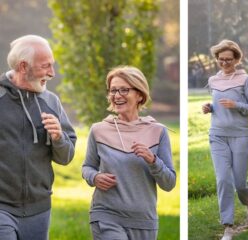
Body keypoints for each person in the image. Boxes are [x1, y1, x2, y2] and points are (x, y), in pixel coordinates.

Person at [82, 66, 176, 240]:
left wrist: (152, 160)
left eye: (124, 90)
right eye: (113, 90)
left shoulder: (158, 131)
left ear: (139, 94)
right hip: (106, 215)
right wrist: (94, 177)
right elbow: (87, 167)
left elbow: (169, 183)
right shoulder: (98, 130)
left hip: (145, 221)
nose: (117, 95)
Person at [0, 35, 77, 239]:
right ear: (23, 66)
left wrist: (59, 137)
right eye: (46, 66)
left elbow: (66, 157)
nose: (52, 73)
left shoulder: (52, 102)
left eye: (52, 65)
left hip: (39, 209)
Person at [202, 40, 248, 240]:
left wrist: (236, 104)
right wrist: (209, 107)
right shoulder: (213, 80)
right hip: (217, 135)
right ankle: (228, 226)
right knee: (223, 180)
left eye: (228, 59)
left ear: (236, 59)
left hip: (240, 135)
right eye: (221, 59)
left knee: (240, 182)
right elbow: (216, 104)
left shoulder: (245, 79)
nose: (224, 63)